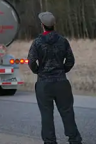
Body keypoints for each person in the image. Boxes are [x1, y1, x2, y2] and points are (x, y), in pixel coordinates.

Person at [27, 11, 82, 144]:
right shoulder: (63, 41)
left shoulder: (37, 42)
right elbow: (70, 60)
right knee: (67, 112)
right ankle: (74, 139)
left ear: (42, 25)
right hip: (61, 81)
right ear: (54, 25)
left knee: (46, 114)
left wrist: (38, 71)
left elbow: (31, 61)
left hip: (44, 83)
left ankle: (50, 141)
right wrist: (62, 70)